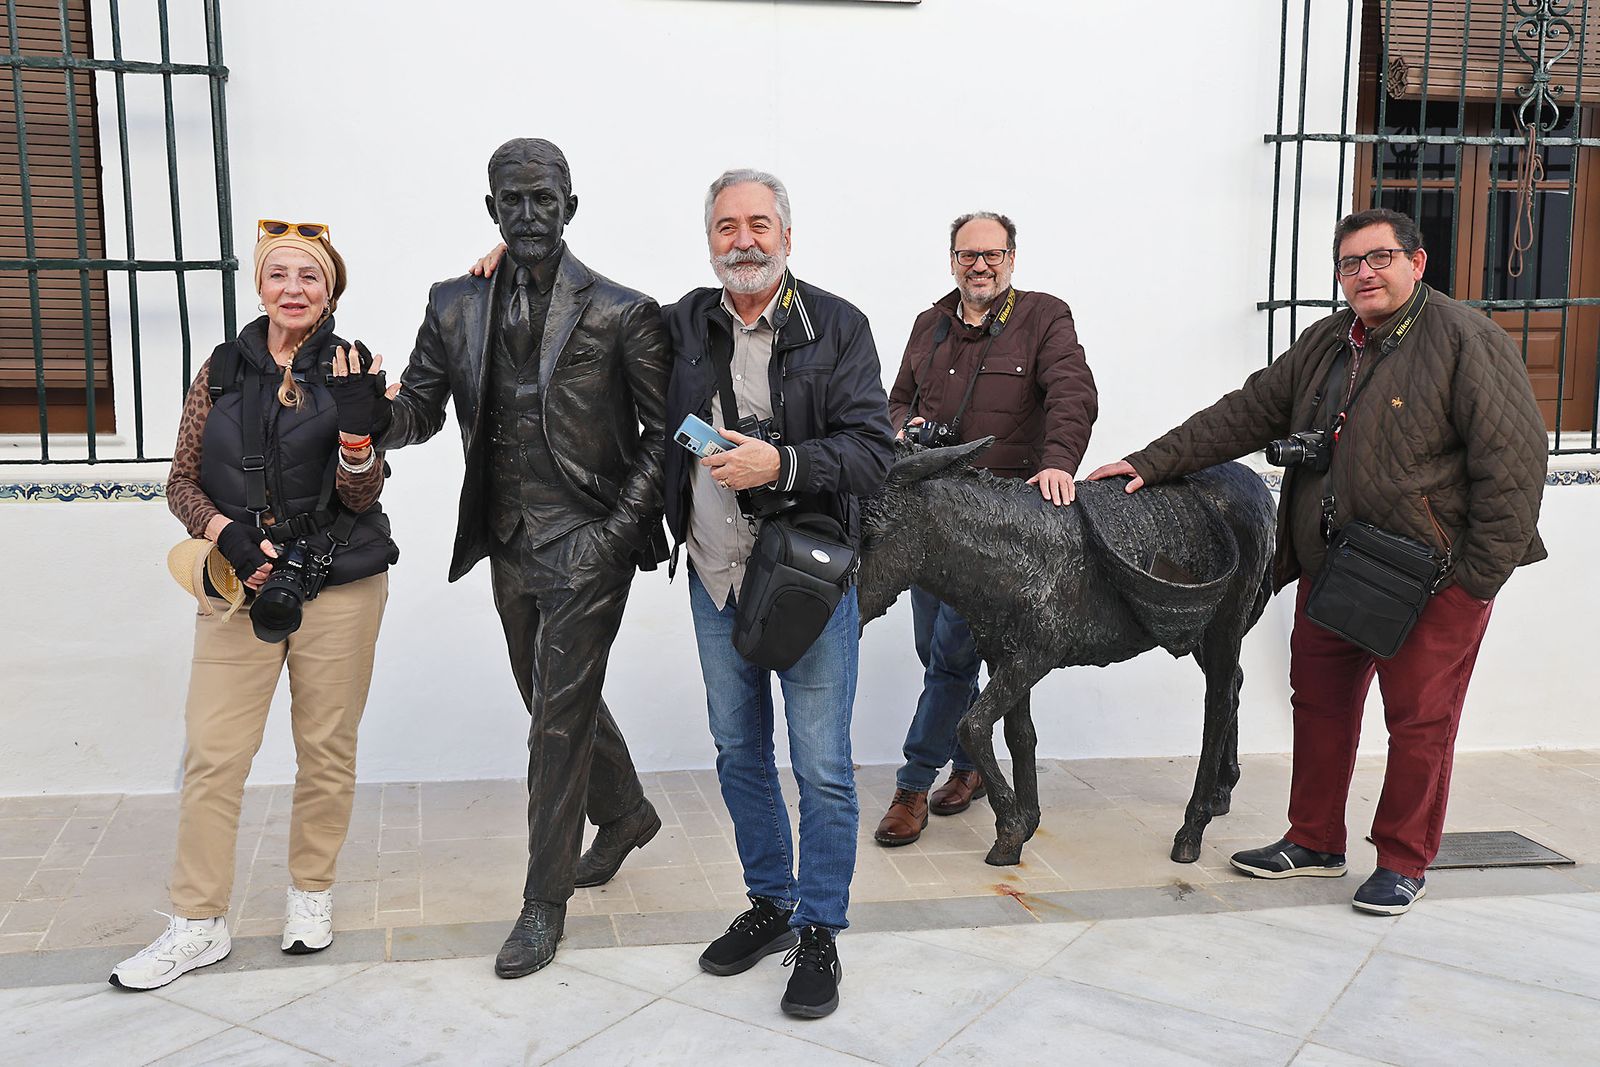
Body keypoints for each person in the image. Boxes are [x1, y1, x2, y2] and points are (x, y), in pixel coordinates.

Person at [1087, 207, 1547, 915]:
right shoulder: (1330, 342)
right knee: (1320, 704)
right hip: (1335, 564)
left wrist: (1473, 583)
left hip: (1431, 578)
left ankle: (1401, 859)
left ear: (1416, 263)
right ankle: (1314, 840)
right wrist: (1149, 461)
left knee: (1420, 722)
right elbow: (1246, 411)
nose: (1364, 273)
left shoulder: (1467, 339)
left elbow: (1513, 470)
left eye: (1380, 257)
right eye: (1350, 263)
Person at [377, 138, 671, 978]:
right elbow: (423, 410)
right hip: (507, 537)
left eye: (545, 200)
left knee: (554, 719)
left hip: (589, 539)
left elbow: (664, 438)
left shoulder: (621, 310)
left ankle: (544, 902)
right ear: (492, 211)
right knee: (547, 693)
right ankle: (625, 812)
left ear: (570, 207)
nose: (530, 215)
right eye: (514, 201)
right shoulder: (453, 305)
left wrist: (613, 535)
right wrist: (365, 413)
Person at [111, 221, 397, 990]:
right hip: (239, 583)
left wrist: (359, 436)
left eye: (310, 275)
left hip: (338, 581)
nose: (294, 288)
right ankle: (196, 923)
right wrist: (229, 536)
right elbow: (180, 481)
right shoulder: (220, 369)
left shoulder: (352, 363)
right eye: (280, 274)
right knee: (213, 754)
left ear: (330, 288)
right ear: (261, 285)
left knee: (327, 747)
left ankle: (311, 895)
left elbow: (362, 494)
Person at [659, 169, 894, 1019]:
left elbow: (874, 452)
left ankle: (821, 928)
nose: (743, 240)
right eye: (727, 226)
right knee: (738, 752)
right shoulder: (682, 323)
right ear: (711, 240)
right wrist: (519, 261)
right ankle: (772, 901)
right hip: (716, 573)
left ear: (787, 237)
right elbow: (596, 318)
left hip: (807, 581)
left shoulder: (839, 325)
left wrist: (782, 464)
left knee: (823, 767)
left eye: (760, 224)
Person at [875, 211, 1098, 847]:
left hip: (999, 529)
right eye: (968, 255)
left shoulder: (1044, 317)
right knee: (935, 650)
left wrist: (1058, 463)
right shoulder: (930, 323)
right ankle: (971, 767)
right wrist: (900, 431)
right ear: (952, 259)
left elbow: (1073, 393)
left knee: (948, 656)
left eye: (992, 255)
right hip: (930, 518)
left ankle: (913, 785)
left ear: (1012, 258)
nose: (980, 266)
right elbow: (896, 399)